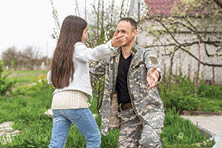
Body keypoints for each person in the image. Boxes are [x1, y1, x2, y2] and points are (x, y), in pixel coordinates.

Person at [47, 15, 126, 148]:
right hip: (75, 102)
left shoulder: (59, 51)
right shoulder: (77, 47)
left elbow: (50, 77)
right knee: (94, 137)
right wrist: (111, 45)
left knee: (56, 143)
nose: (85, 35)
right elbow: (91, 54)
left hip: (57, 104)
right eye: (85, 31)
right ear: (77, 32)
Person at [90, 18, 165, 148]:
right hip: (127, 114)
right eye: (117, 31)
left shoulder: (145, 54)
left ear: (134, 32)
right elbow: (93, 73)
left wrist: (154, 74)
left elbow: (154, 66)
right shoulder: (111, 59)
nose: (119, 34)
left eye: (123, 31)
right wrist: (67, 73)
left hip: (150, 109)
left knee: (148, 141)